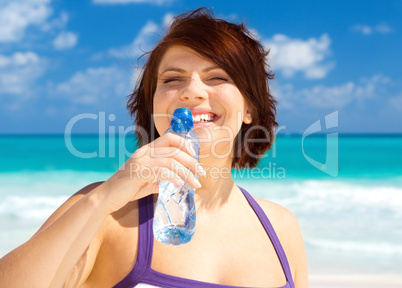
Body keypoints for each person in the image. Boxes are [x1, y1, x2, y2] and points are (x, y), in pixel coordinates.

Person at [0, 8, 308, 288]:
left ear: (250, 108)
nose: (192, 92)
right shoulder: (107, 215)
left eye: (217, 77)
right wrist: (102, 199)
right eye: (173, 79)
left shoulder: (281, 228)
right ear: (153, 105)